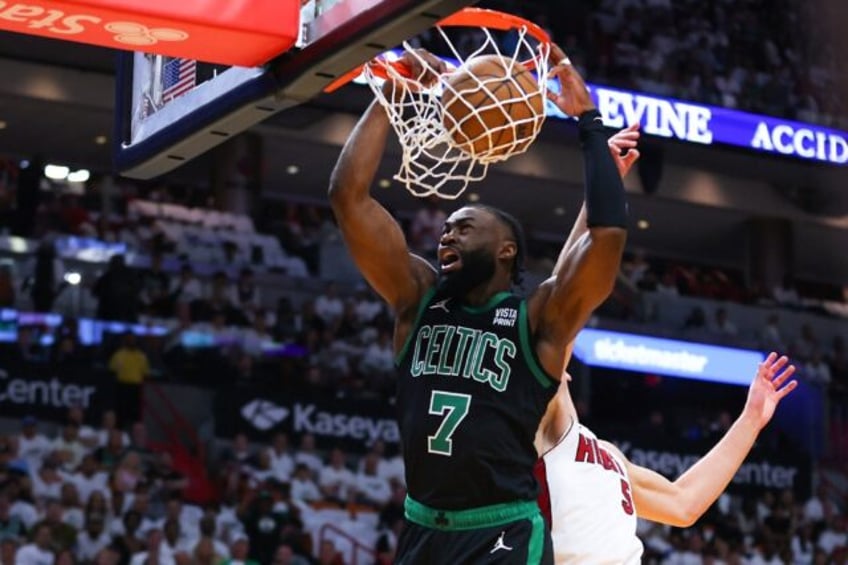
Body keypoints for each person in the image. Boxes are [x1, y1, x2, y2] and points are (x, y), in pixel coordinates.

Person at [328, 42, 628, 564]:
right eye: (445, 231)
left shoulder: (537, 319)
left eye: (464, 229)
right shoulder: (417, 297)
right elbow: (348, 197)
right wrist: (390, 95)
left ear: (506, 250)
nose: (446, 238)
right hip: (422, 526)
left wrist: (589, 124)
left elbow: (604, 241)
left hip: (501, 533)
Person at [536, 349, 797, 564]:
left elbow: (683, 503)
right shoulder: (534, 444)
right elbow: (558, 323)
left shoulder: (608, 454)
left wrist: (750, 421)